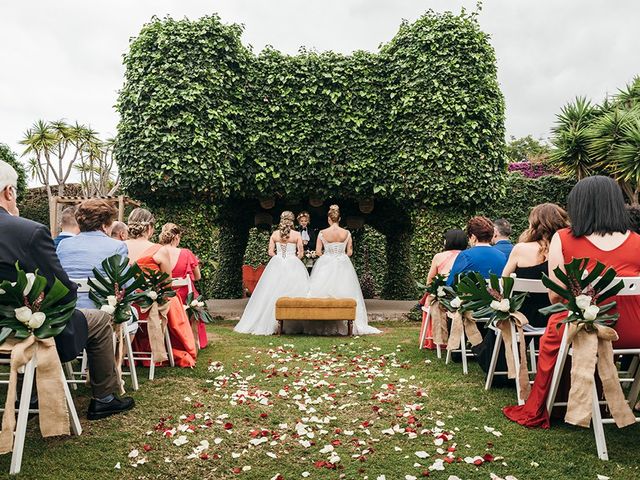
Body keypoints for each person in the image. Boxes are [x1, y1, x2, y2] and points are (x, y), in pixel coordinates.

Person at [0, 160, 134, 419]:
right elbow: (61, 289)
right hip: (27, 328)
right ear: (9, 192)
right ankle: (104, 398)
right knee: (99, 318)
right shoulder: (27, 232)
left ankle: (33, 394)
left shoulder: (48, 238)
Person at [503, 176, 640, 428]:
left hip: (584, 330)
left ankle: (558, 402)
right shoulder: (637, 241)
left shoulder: (564, 238)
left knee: (558, 326)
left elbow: (555, 294)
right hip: (634, 333)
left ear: (578, 205)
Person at [473, 204, 571, 378]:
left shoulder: (521, 249)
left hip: (524, 318)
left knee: (503, 317)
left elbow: (502, 283)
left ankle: (496, 364)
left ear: (533, 224)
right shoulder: (568, 250)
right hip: (558, 316)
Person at [126, 208, 197, 367]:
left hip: (127, 307)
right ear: (150, 228)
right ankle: (172, 347)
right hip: (151, 307)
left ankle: (128, 350)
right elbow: (167, 284)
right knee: (173, 300)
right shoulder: (159, 250)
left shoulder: (118, 247)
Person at [306, 205, 381, 335]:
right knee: (346, 290)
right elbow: (350, 252)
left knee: (321, 292)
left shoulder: (322, 233)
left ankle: (322, 321)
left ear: (329, 219)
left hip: (326, 262)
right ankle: (348, 321)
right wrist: (340, 254)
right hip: (343, 262)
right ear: (339, 218)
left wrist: (328, 255)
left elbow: (318, 252)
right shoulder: (346, 233)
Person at [234, 211, 309, 335]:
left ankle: (270, 321)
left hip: (277, 263)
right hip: (293, 264)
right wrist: (292, 258)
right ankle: (294, 321)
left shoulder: (274, 234)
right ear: (292, 221)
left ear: (281, 220)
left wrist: (279, 257)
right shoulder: (296, 235)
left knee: (271, 291)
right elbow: (301, 254)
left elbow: (270, 252)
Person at [57, 199, 129, 308]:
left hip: (68, 313)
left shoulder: (63, 245)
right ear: (105, 225)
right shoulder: (117, 247)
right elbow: (127, 287)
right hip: (104, 316)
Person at [158, 223, 207, 348]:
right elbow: (198, 277)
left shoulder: (156, 252)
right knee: (194, 297)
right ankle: (194, 341)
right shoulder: (186, 253)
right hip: (184, 298)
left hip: (163, 297)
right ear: (176, 237)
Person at [419, 229, 468, 349]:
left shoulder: (439, 257)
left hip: (443, 299)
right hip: (463, 299)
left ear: (448, 241)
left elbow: (429, 282)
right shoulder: (467, 256)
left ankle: (436, 340)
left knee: (429, 299)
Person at [446, 216, 507, 286]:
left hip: (471, 296)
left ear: (473, 237)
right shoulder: (502, 256)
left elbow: (450, 283)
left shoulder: (465, 256)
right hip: (495, 296)